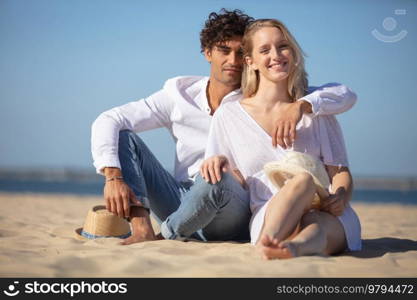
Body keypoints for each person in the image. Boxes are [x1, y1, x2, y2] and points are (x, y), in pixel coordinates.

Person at [91, 9, 358, 245]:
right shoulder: (179, 94)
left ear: (250, 58)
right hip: (182, 196)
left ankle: (168, 234)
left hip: (232, 202)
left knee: (216, 181)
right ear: (207, 53)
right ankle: (142, 229)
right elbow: (109, 119)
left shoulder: (266, 93)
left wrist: (302, 105)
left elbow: (342, 94)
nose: (233, 60)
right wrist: (113, 176)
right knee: (123, 136)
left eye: (241, 52)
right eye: (223, 50)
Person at [201, 19, 361, 259]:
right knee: (302, 181)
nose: (276, 55)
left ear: (293, 53)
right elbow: (230, 177)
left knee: (316, 223)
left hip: (324, 212)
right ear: (250, 61)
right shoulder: (229, 114)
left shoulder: (316, 107)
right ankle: (270, 242)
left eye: (283, 46)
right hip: (270, 212)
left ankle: (292, 249)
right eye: (264, 50)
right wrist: (219, 166)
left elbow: (339, 171)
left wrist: (340, 196)